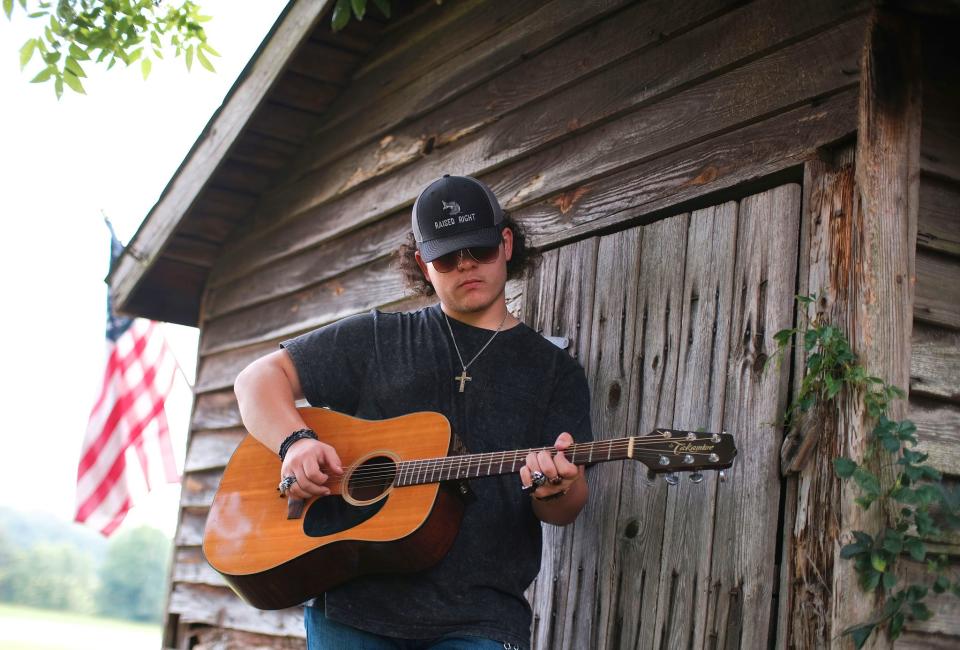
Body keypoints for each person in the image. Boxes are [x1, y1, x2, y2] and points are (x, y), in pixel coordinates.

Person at [233, 174, 593, 650]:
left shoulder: (554, 371)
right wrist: (295, 442)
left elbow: (567, 505)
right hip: (354, 608)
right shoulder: (378, 338)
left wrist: (554, 489)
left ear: (505, 244)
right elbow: (255, 380)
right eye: (447, 257)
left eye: (479, 250)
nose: (466, 265)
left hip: (481, 618)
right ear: (425, 265)